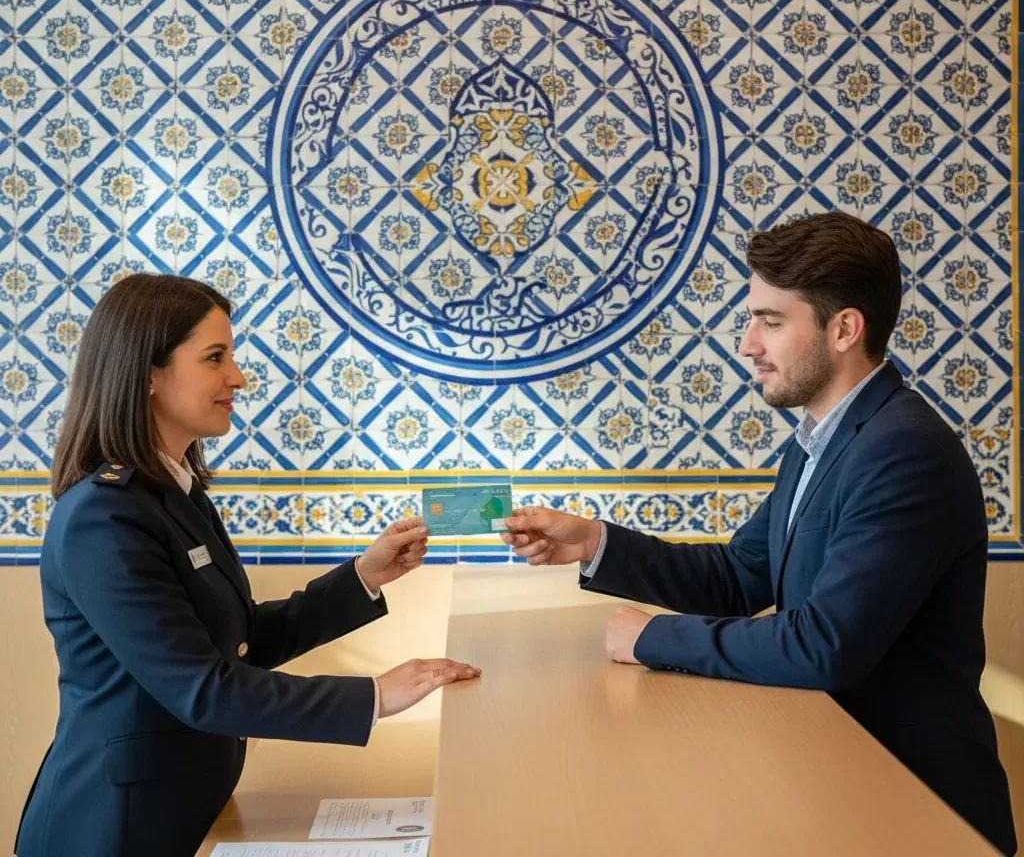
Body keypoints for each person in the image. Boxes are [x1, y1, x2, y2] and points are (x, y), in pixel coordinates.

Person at [503, 212, 1016, 856]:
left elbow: (823, 646)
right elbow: (737, 576)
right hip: (836, 781)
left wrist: (653, 638)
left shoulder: (904, 452)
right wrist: (592, 542)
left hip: (918, 810)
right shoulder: (817, 443)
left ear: (844, 329)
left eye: (770, 322)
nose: (748, 343)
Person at [16, 274, 480, 857]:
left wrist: (365, 574)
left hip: (188, 809)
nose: (237, 376)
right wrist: (375, 695)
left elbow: (238, 640)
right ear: (149, 375)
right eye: (215, 358)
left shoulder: (173, 495)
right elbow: (202, 688)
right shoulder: (102, 518)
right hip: (115, 828)